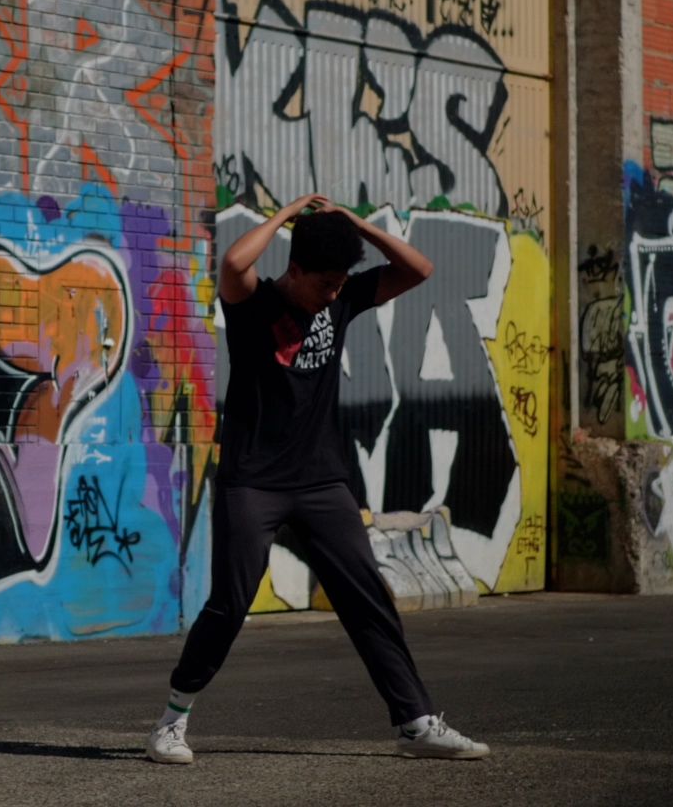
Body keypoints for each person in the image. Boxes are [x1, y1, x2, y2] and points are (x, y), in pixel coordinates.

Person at [145, 194, 489, 764]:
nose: (333, 293)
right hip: (252, 481)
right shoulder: (252, 303)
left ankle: (415, 723)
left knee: (368, 598)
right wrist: (288, 216)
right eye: (323, 283)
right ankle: (171, 722)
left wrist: (352, 223)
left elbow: (418, 269)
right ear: (295, 269)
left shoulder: (344, 297)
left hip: (321, 480)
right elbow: (233, 262)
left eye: (339, 284)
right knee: (231, 603)